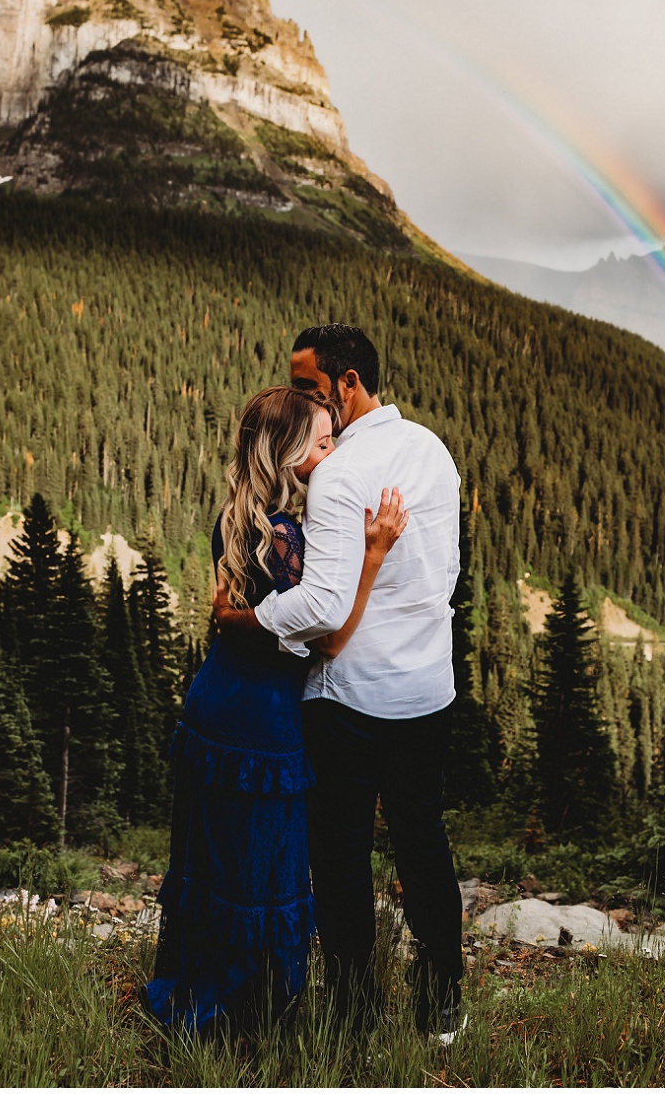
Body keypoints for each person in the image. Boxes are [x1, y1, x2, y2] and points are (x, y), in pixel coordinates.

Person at [211, 325, 466, 1043]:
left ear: (346, 383)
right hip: (426, 688)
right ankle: (443, 999)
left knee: (344, 856)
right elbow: (445, 574)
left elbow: (322, 606)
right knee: (423, 840)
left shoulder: (335, 473)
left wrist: (248, 616)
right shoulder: (432, 450)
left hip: (348, 693)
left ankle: (355, 1011)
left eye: (306, 386)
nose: (296, 397)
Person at [144, 385, 407, 1034]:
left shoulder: (237, 518)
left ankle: (193, 995)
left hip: (214, 703)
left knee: (210, 861)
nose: (333, 453)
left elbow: (233, 613)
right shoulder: (287, 537)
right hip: (262, 721)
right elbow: (333, 634)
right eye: (321, 443)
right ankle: (241, 1018)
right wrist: (373, 555)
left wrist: (238, 617)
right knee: (260, 866)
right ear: (289, 457)